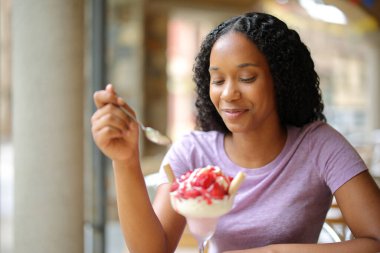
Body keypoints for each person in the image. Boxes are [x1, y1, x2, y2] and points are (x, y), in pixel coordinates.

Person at [91, 12, 380, 253]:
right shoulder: (194, 152)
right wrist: (125, 160)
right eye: (217, 80)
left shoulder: (319, 145)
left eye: (246, 78)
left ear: (281, 80)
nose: (228, 94)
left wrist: (275, 251)